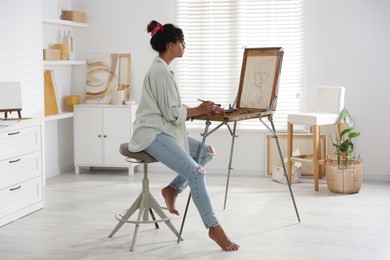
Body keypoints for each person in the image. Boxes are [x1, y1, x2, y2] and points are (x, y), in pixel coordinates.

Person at [128, 20, 239, 251]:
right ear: (171, 45)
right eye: (182, 42)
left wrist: (205, 109)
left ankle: (173, 189)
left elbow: (171, 108)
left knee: (206, 153)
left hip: (164, 129)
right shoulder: (160, 71)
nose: (184, 46)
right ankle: (214, 228)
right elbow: (171, 113)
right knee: (197, 173)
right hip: (151, 133)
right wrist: (199, 110)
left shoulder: (164, 69)